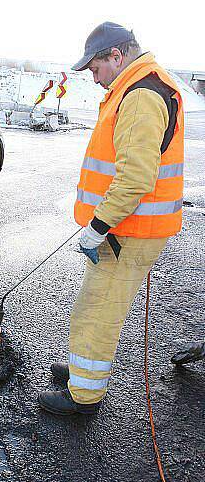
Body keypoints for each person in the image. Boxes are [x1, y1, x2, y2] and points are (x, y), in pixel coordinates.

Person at [38, 22, 184, 415]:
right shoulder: (137, 87)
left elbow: (136, 177)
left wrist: (98, 226)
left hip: (128, 230)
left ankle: (83, 396)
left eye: (96, 68)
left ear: (116, 56)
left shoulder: (140, 95)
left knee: (98, 309)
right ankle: (80, 370)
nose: (94, 77)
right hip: (127, 228)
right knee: (95, 303)